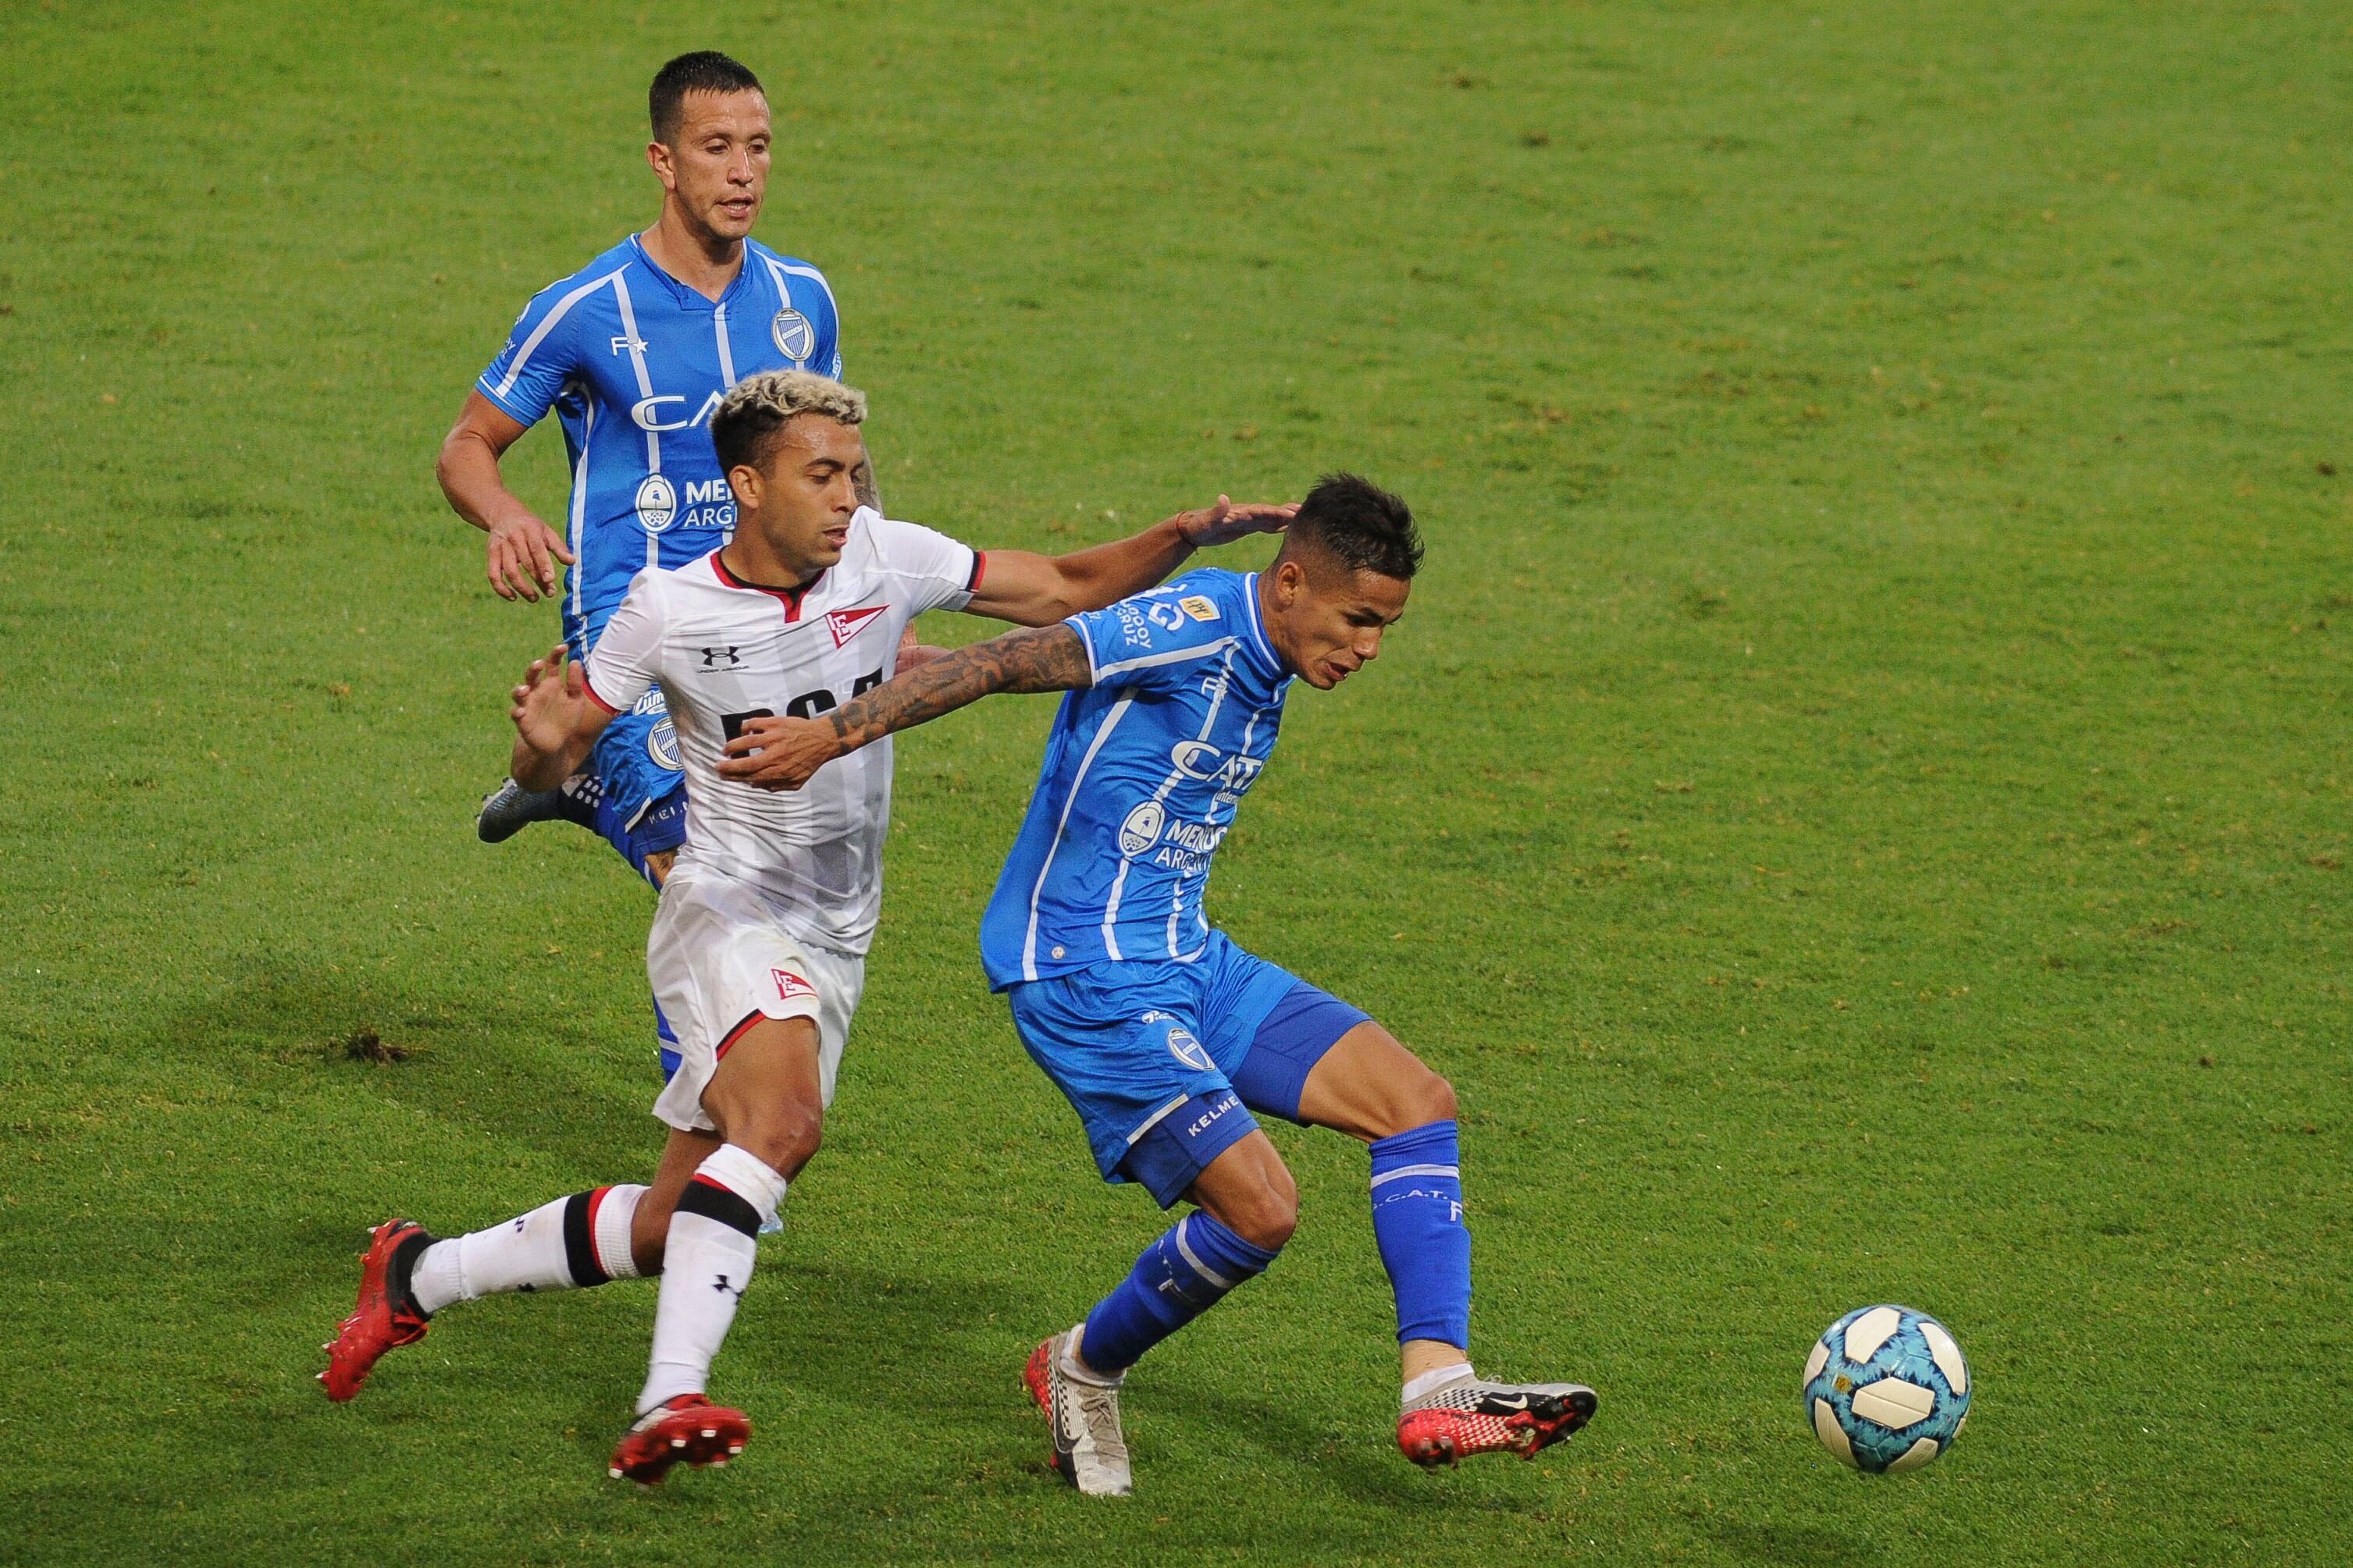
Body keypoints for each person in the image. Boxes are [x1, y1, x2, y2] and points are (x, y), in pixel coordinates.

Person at [321, 371, 1296, 1485]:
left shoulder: (886, 559)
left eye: (848, 473)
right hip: (723, 908)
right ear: (746, 484)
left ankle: (418, 1273)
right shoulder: (668, 608)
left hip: (838, 938)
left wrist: (1183, 530)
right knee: (783, 1125)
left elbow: (1066, 586)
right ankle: (668, 1398)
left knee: (671, 1222)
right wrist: (538, 748)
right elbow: (562, 748)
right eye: (818, 474)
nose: (844, 497)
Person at [718, 473, 1596, 1495]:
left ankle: (1436, 1383)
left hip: (1184, 955)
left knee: (1415, 1105)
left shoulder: (1269, 646)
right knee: (1261, 1210)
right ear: (1291, 582)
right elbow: (1015, 659)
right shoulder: (1190, 626)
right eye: (1356, 619)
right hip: (1084, 968)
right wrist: (833, 731)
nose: (1365, 647)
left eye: (1383, 629)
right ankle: (1081, 1367)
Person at [436, 49, 863, 1082]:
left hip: (760, 636)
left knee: (776, 881)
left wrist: (862, 592)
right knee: (700, 868)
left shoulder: (803, 297)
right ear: (663, 161)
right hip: (632, 630)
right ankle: (715, 1132)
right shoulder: (586, 307)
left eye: (757, 147)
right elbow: (466, 443)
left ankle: (566, 780)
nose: (742, 171)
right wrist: (503, 516)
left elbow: (834, 464)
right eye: (716, 148)